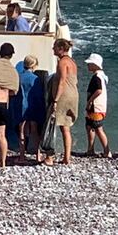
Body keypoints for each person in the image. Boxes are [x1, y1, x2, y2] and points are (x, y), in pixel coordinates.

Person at [45, 38, 78, 166]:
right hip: (73, 94)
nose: (52, 49)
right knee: (66, 126)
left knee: (53, 124)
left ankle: (50, 156)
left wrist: (55, 99)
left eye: (54, 47)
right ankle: (67, 156)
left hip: (64, 95)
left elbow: (62, 81)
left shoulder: (62, 62)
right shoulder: (72, 62)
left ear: (60, 49)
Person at [15, 55, 45, 162]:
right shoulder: (35, 79)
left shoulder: (18, 77)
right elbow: (38, 95)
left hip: (21, 106)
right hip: (33, 106)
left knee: (22, 131)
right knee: (35, 131)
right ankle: (37, 155)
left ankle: (22, 156)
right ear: (34, 65)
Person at [83, 53, 110, 158]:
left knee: (98, 128)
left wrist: (90, 101)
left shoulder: (97, 77)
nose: (88, 66)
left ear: (95, 65)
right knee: (90, 126)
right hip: (97, 106)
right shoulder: (101, 76)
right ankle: (90, 149)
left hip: (96, 107)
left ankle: (107, 151)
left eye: (90, 64)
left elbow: (99, 90)